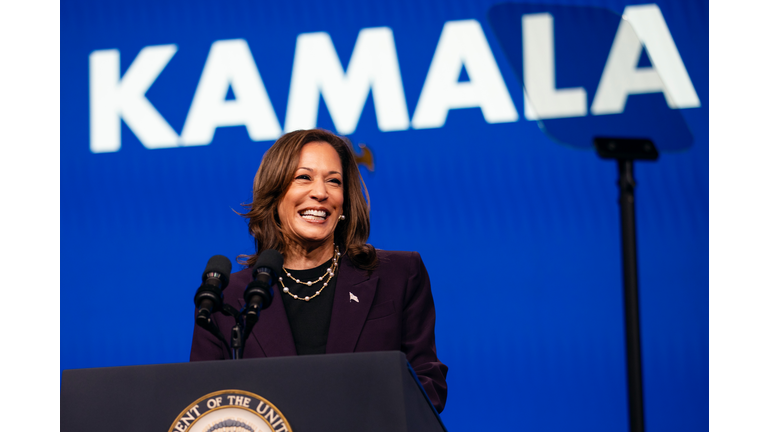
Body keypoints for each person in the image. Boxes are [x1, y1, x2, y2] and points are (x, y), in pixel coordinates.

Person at [190, 129, 448, 412]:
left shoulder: (399, 275)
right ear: (275, 194)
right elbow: (205, 405)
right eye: (304, 177)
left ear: (344, 202)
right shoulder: (228, 298)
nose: (321, 193)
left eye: (333, 181)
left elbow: (428, 383)